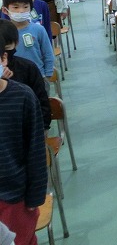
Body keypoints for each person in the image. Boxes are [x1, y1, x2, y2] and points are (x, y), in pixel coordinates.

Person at [0, 34, 47, 245]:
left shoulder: (23, 97)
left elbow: (35, 150)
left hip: (15, 197)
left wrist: (35, 194)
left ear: (4, 59)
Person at [0, 19, 51, 129]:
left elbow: (42, 102)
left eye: (7, 48)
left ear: (16, 43)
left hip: (27, 128)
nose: (4, 54)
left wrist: (44, 127)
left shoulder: (28, 68)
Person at [2, 0, 54, 80]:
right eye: (16, 7)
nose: (21, 11)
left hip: (38, 76)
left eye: (25, 7)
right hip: (12, 78)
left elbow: (48, 54)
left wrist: (48, 75)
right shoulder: (3, 32)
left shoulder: (39, 29)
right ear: (5, 10)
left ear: (31, 9)